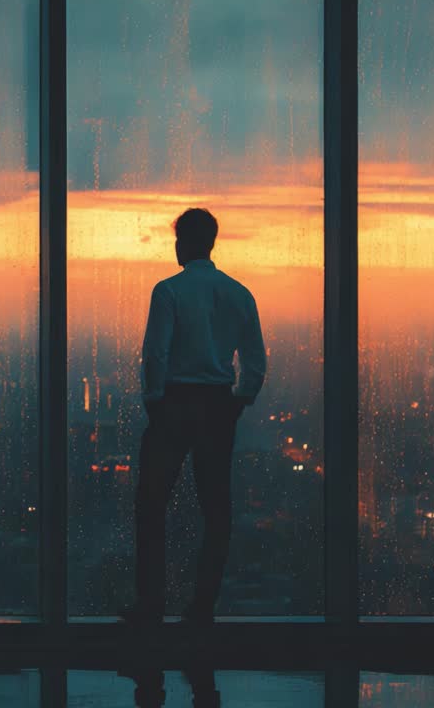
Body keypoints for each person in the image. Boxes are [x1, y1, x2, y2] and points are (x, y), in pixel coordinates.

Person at [123, 208, 266, 633]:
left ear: (182, 242)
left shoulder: (169, 291)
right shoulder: (239, 294)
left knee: (152, 504)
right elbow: (254, 359)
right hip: (218, 404)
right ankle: (203, 605)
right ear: (212, 242)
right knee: (216, 508)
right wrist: (241, 398)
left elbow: (156, 352)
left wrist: (154, 398)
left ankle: (151, 604)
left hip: (175, 402)